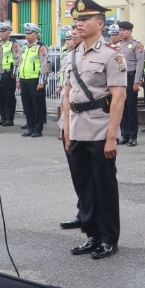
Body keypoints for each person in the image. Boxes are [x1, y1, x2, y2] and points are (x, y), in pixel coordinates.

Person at [62, 0, 127, 260]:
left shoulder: (112, 55)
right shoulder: (73, 54)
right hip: (77, 128)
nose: (80, 23)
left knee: (104, 186)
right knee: (84, 185)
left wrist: (112, 136)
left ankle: (109, 238)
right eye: (78, 19)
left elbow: (119, 97)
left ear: (100, 24)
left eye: (85, 19)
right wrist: (66, 130)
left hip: (100, 128)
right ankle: (91, 235)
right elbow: (67, 95)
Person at [59, 27, 88, 231]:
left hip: (86, 120)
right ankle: (82, 210)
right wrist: (63, 123)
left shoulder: (96, 55)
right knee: (76, 172)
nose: (74, 34)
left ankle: (90, 214)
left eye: (78, 30)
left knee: (88, 173)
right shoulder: (69, 56)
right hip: (67, 119)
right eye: (72, 32)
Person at [18, 23, 50, 137]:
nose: (27, 35)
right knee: (27, 106)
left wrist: (42, 82)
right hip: (24, 79)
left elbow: (45, 65)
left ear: (36, 34)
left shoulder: (40, 47)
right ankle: (30, 127)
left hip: (35, 80)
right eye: (26, 33)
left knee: (38, 106)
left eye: (30, 33)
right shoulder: (24, 47)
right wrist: (18, 79)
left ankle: (37, 129)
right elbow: (20, 63)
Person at [116, 21, 144, 146]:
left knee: (131, 108)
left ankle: (133, 136)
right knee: (121, 107)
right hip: (119, 79)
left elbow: (140, 64)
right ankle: (124, 134)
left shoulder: (136, 45)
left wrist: (137, 81)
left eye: (124, 30)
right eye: (120, 30)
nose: (121, 32)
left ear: (130, 31)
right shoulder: (117, 45)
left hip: (131, 77)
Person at [0, 22, 19, 126]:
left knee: (9, 96)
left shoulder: (13, 44)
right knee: (0, 97)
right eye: (0, 31)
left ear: (9, 32)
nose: (1, 33)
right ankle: (3, 116)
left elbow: (16, 59)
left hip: (8, 73)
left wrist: (14, 73)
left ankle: (9, 118)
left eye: (4, 31)